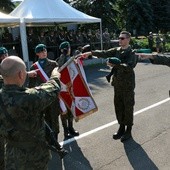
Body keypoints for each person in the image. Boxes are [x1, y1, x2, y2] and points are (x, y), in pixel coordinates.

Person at [0, 55, 62, 170]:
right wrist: (55, 76)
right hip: (34, 159)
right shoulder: (29, 97)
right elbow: (53, 89)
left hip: (11, 156)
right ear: (20, 74)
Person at [83, 31, 138, 142]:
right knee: (118, 106)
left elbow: (130, 66)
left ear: (128, 39)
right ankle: (121, 127)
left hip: (127, 84)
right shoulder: (117, 50)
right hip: (117, 83)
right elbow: (104, 53)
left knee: (128, 106)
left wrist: (116, 64)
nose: (120, 40)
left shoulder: (132, 52)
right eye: (119, 38)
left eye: (122, 38)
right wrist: (90, 53)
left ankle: (128, 130)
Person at [28, 44, 68, 156]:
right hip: (41, 97)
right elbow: (31, 84)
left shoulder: (53, 64)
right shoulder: (33, 67)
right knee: (44, 119)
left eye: (45, 50)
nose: (44, 52)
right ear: (37, 54)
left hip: (52, 96)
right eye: (41, 51)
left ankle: (55, 139)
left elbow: (57, 79)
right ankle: (48, 140)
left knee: (54, 117)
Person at [57, 41, 81, 139]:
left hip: (71, 87)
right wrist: (64, 55)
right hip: (63, 89)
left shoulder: (72, 59)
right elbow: (60, 67)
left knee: (71, 108)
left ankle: (71, 127)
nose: (67, 50)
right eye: (66, 49)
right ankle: (65, 130)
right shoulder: (59, 59)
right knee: (64, 110)